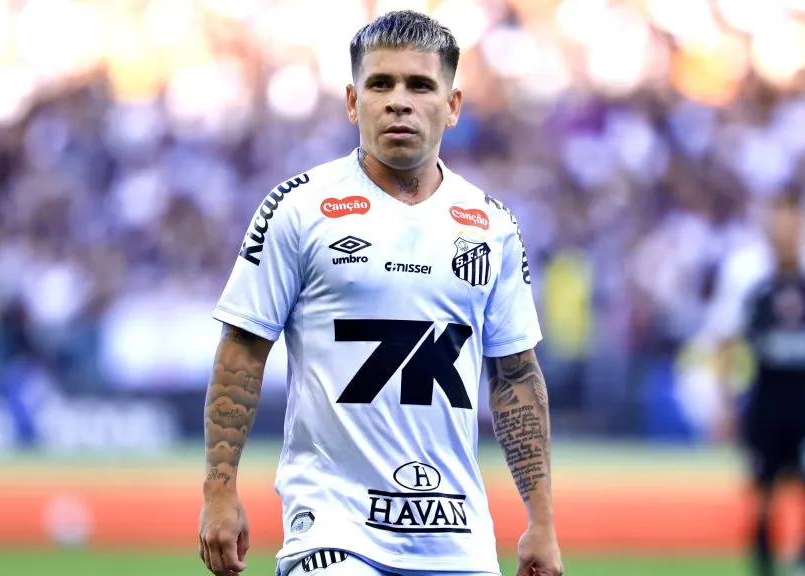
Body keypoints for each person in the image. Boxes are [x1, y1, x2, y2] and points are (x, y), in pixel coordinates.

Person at [197, 10, 562, 576]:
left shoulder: (491, 226)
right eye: (380, 84)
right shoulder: (298, 209)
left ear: (453, 106)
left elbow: (515, 376)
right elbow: (243, 350)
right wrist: (219, 490)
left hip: (457, 538)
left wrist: (541, 522)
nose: (399, 102)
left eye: (419, 86)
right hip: (333, 530)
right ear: (352, 101)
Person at [699, 187, 805, 576]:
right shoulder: (745, 272)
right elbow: (723, 341)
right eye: (779, 222)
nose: (786, 231)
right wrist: (723, 405)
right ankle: (765, 564)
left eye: (793, 222)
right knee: (762, 491)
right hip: (766, 394)